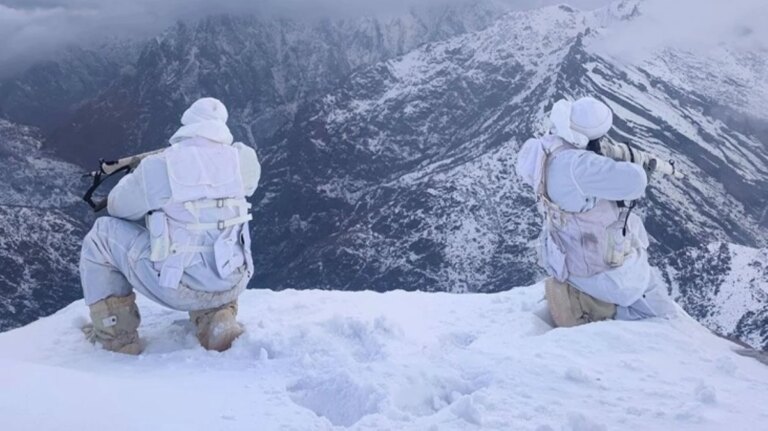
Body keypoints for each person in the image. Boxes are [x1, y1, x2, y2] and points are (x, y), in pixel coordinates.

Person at [80, 97, 261, 353]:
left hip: (179, 287)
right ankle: (216, 317)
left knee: (101, 236)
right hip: (233, 280)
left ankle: (117, 335)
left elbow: (118, 208)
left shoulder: (161, 167)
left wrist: (142, 178)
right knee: (211, 237)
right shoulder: (244, 161)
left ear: (187, 124)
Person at [516, 96, 676, 327]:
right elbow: (636, 181)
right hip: (595, 270)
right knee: (652, 298)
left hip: (566, 255)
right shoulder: (577, 167)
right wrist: (639, 167)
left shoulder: (545, 149)